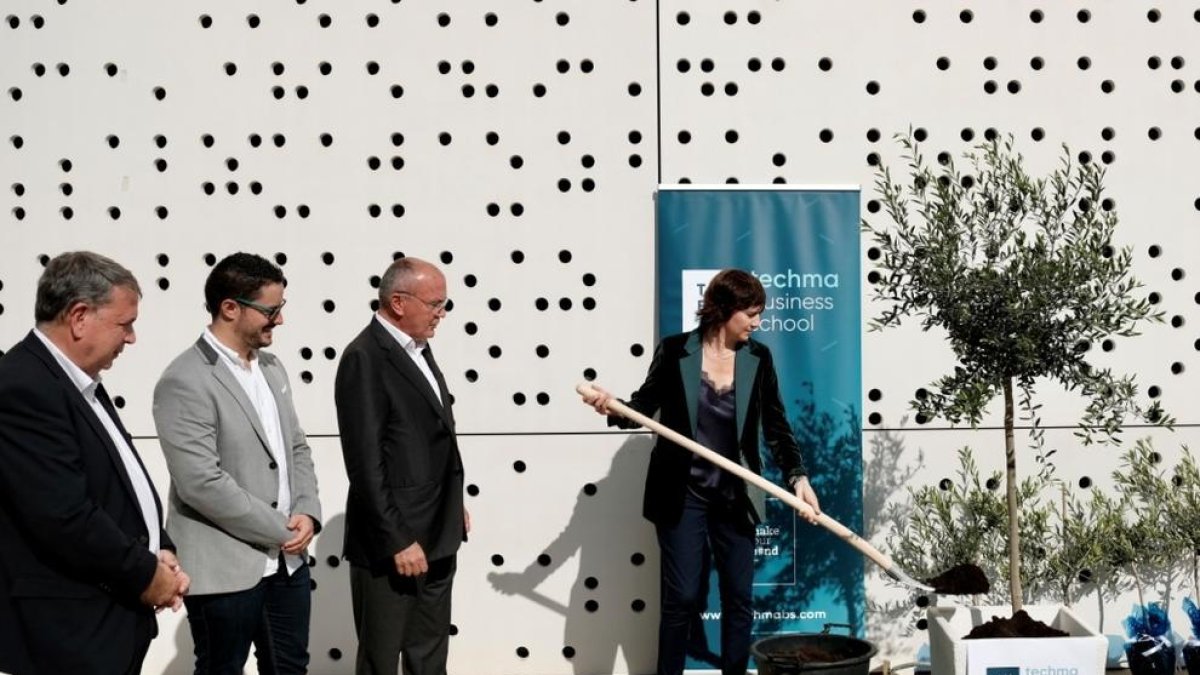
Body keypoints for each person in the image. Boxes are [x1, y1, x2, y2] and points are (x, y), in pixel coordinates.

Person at [582, 268, 821, 675]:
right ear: (725, 310)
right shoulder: (676, 351)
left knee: (738, 596)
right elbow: (644, 407)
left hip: (735, 496)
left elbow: (777, 426)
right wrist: (614, 406)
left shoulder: (758, 358)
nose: (758, 323)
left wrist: (799, 478)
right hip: (683, 494)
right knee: (683, 596)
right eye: (751, 313)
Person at [0, 251, 188, 675]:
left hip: (105, 623)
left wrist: (161, 548)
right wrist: (146, 574)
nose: (132, 338)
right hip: (68, 634)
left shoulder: (78, 381)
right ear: (79, 316)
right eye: (125, 324)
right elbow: (63, 514)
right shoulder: (24, 386)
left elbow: (115, 483)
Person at [152, 252, 322, 675]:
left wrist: (307, 512)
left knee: (290, 669)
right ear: (230, 308)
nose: (279, 320)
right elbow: (200, 482)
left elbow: (296, 447)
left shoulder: (273, 368)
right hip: (224, 568)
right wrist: (280, 528)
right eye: (270, 310)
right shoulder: (184, 379)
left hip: (289, 563)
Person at [335, 256, 468, 675]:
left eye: (444, 304)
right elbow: (365, 461)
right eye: (435, 304)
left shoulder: (419, 351)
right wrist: (396, 539)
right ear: (398, 302)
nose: (441, 314)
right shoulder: (365, 357)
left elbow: (427, 439)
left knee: (429, 654)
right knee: (382, 654)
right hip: (394, 543)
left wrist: (452, 503)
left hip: (438, 532)